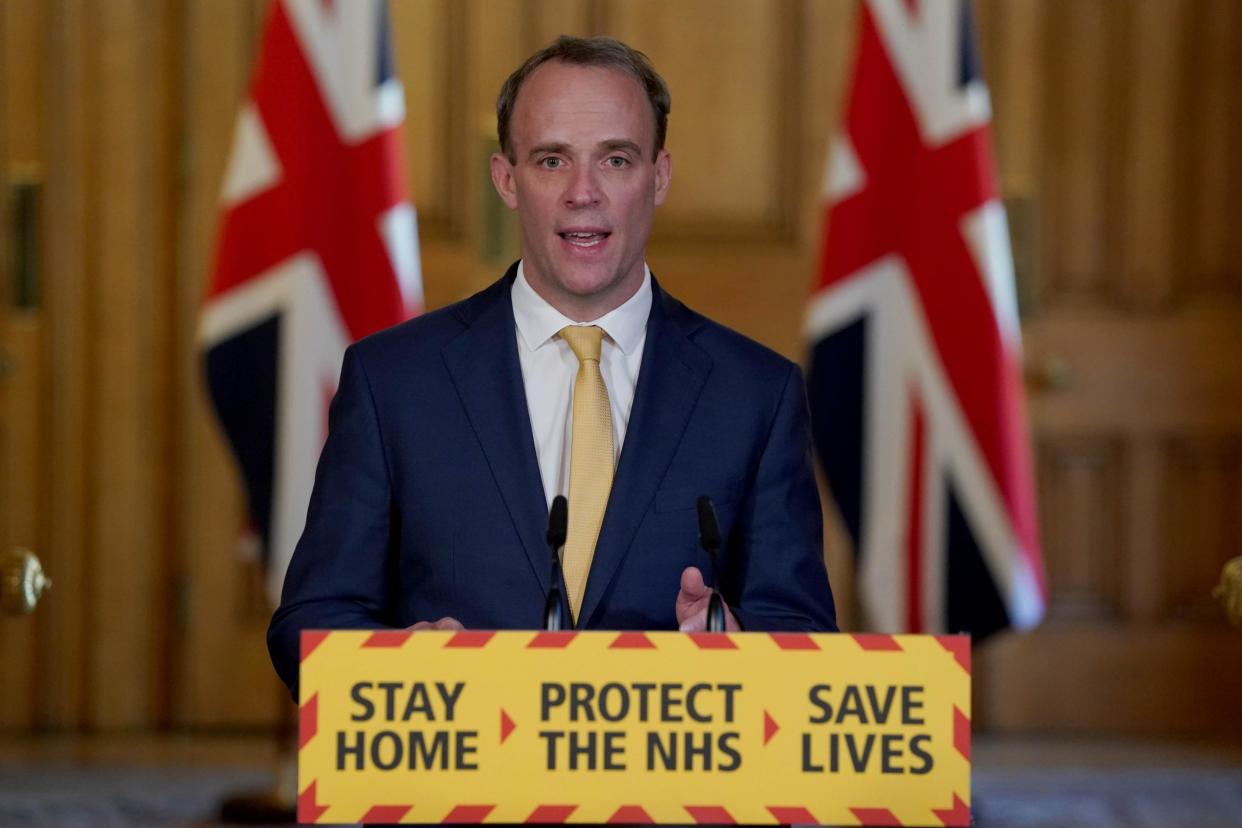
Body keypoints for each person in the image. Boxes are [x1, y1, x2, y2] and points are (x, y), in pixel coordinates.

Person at [268, 35, 835, 698]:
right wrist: (394, 664)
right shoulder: (393, 382)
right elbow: (310, 621)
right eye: (551, 161)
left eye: (616, 160)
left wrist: (741, 653)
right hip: (466, 790)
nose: (582, 193)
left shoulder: (755, 394)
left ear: (659, 176)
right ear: (506, 180)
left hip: (669, 793)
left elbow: (802, 642)